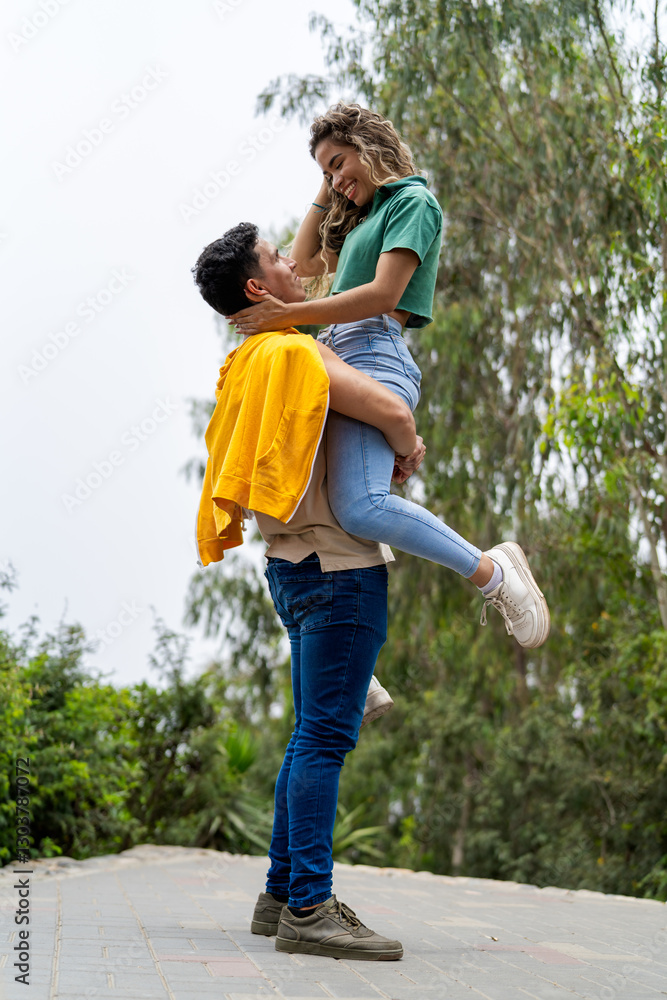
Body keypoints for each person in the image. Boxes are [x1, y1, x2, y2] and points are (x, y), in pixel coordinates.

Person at [228, 103, 550, 649]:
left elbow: (382, 296)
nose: (335, 180)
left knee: (360, 506)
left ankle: (495, 575)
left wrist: (288, 316)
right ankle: (338, 647)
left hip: (373, 349)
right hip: (333, 355)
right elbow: (304, 265)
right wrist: (328, 182)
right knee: (296, 505)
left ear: (367, 144)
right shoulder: (361, 216)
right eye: (326, 172)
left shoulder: (412, 202)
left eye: (339, 163)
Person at [193, 222, 423, 959]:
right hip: (340, 572)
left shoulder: (246, 358)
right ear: (258, 289)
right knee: (324, 738)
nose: (294, 262)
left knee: (307, 734)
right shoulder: (293, 349)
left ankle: (281, 892)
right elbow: (388, 411)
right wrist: (408, 442)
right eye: (276, 259)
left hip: (289, 569)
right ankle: (309, 909)